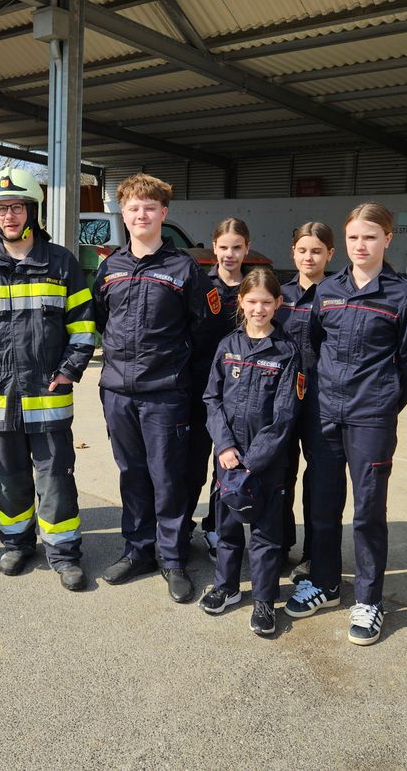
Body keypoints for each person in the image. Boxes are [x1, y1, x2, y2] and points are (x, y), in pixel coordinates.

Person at [285, 203, 407, 646]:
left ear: (388, 240)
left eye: (370, 237)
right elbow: (313, 348)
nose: (360, 245)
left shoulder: (406, 296)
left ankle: (369, 598)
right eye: (353, 238)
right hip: (325, 415)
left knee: (368, 511)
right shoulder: (328, 290)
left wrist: (384, 404)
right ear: (344, 243)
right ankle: (326, 584)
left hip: (371, 418)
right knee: (322, 504)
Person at [0, 168, 95, 592]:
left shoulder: (62, 262)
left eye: (16, 207)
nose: (9, 216)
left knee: (55, 478)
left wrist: (69, 369)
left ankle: (64, 552)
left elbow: (83, 326)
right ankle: (16, 542)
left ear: (33, 211)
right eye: (0, 209)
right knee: (10, 476)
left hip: (48, 398)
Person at [93, 173, 213, 604]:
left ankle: (173, 558)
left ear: (164, 213)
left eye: (149, 207)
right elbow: (102, 321)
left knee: (168, 478)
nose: (140, 214)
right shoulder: (110, 268)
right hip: (119, 392)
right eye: (132, 208)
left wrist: (178, 375)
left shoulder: (184, 270)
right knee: (133, 475)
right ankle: (137, 551)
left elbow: (205, 330)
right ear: (122, 215)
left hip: (166, 393)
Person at [199, 267, 302, 635]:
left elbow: (286, 414)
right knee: (226, 527)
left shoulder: (287, 352)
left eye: (266, 302)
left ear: (278, 303)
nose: (259, 309)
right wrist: (225, 446)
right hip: (227, 459)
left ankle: (263, 599)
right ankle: (226, 587)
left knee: (266, 533)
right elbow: (211, 398)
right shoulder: (228, 346)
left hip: (266, 463)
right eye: (252, 301)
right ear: (240, 302)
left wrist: (255, 461)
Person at [184, 218, 250, 563]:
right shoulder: (200, 286)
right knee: (193, 463)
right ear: (214, 248)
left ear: (247, 249)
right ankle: (182, 528)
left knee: (226, 466)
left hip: (240, 395)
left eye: (236, 247)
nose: (229, 254)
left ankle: (215, 526)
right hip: (200, 391)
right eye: (223, 247)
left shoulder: (254, 290)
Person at [275, 222, 335, 581]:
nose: (308, 257)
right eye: (302, 250)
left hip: (321, 402)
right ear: (293, 252)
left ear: (330, 253)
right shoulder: (279, 294)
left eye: (317, 250)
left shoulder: (337, 295)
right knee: (280, 474)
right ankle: (279, 545)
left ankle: (315, 555)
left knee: (319, 482)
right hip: (282, 400)